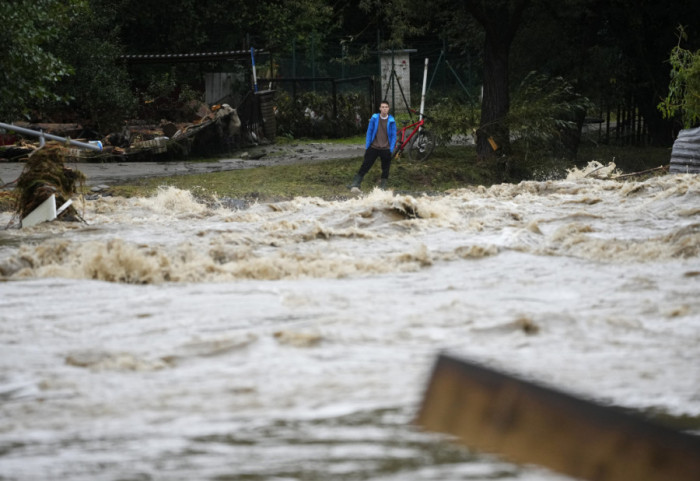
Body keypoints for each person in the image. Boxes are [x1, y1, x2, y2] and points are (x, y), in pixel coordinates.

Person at [349, 100, 397, 190]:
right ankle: (356, 183)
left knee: (386, 168)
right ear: (379, 108)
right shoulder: (374, 118)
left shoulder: (392, 121)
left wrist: (391, 149)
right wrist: (368, 146)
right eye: (382, 107)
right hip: (373, 147)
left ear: (388, 108)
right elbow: (369, 132)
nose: (384, 109)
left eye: (386, 107)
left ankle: (382, 187)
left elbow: (394, 135)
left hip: (386, 148)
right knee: (365, 165)